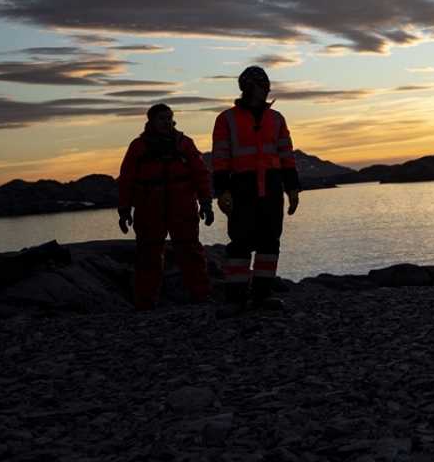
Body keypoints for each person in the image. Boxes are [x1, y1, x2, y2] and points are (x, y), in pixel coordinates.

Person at [210, 66, 301, 318]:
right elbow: (220, 157)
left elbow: (287, 155)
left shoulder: (277, 118)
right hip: (242, 186)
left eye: (268, 83)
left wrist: (292, 188)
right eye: (263, 84)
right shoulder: (226, 119)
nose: (267, 88)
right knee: (239, 242)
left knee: (269, 241)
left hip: (271, 185)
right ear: (249, 87)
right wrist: (223, 190)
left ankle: (264, 295)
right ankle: (235, 299)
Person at [117, 103, 215, 310]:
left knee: (190, 250)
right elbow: (127, 178)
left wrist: (206, 202)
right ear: (151, 122)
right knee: (148, 255)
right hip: (149, 206)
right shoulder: (138, 146)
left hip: (182, 205)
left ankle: (201, 296)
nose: (166, 122)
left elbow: (200, 174)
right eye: (161, 118)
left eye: (169, 118)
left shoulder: (185, 144)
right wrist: (124, 209)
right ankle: (145, 302)